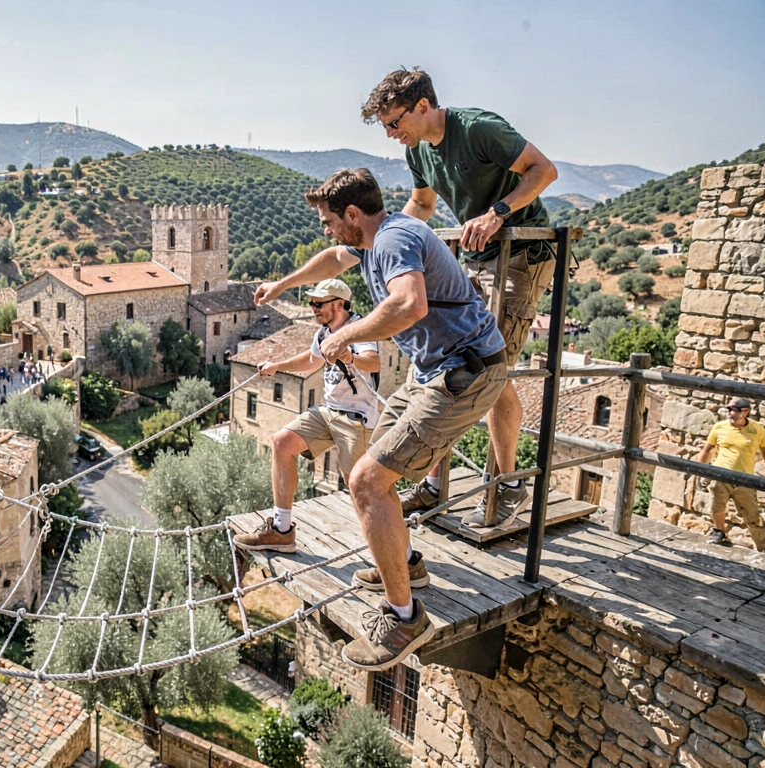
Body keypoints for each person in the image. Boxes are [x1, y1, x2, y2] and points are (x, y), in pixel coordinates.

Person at [253, 169, 507, 671]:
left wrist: (347, 337)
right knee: (369, 474)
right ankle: (408, 567)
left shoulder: (391, 240)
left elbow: (409, 304)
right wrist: (282, 283)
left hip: (462, 374)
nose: (326, 229)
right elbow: (330, 259)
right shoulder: (375, 238)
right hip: (434, 370)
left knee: (367, 481)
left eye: (329, 220)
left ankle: (404, 618)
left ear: (352, 215)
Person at [361, 68, 558, 528]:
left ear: (423, 106)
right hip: (476, 257)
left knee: (489, 366)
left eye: (395, 122)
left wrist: (497, 214)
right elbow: (423, 208)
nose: (391, 134)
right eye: (386, 127)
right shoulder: (419, 150)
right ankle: (431, 486)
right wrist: (379, 239)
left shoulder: (477, 128)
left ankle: (509, 486)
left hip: (522, 253)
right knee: (449, 361)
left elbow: (543, 170)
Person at [234, 279, 382, 555]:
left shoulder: (359, 330)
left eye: (318, 303)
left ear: (339, 304)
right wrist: (277, 366)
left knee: (360, 487)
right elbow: (311, 360)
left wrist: (350, 357)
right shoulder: (324, 333)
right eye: (311, 302)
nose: (312, 307)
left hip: (356, 418)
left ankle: (401, 555)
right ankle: (281, 531)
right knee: (281, 443)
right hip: (329, 412)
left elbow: (373, 361)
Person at [695, 398, 765, 551]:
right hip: (720, 474)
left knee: (752, 514)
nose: (731, 413)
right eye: (729, 409)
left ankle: (763, 547)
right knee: (716, 506)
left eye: (734, 410)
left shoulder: (757, 430)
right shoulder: (720, 427)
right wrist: (699, 471)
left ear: (746, 412)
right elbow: (707, 449)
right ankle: (719, 532)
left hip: (744, 479)